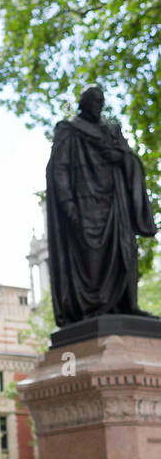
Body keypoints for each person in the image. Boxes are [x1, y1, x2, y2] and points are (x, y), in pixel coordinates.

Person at [46, 86, 156, 327]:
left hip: (116, 207)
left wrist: (123, 158)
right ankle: (92, 309)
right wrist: (69, 205)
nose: (99, 105)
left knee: (124, 253)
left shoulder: (111, 131)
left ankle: (128, 305)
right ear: (83, 103)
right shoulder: (69, 131)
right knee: (91, 264)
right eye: (94, 101)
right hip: (86, 208)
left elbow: (130, 158)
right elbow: (59, 170)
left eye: (101, 101)